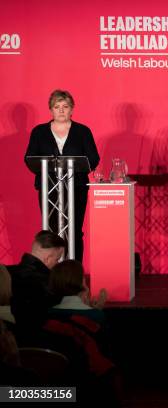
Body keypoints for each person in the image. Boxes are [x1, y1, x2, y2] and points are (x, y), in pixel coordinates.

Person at [24, 89, 100, 262]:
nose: (61, 110)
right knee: (50, 231)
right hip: (48, 186)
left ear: (72, 109)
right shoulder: (39, 132)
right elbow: (29, 158)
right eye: (56, 106)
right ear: (50, 110)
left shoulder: (82, 131)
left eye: (65, 106)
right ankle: (50, 271)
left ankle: (74, 271)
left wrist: (75, 166)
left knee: (74, 230)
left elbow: (93, 158)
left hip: (77, 187)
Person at [7, 230, 65, 333]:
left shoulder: (7, 274)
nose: (57, 264)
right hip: (43, 340)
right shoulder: (49, 282)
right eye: (57, 259)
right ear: (47, 259)